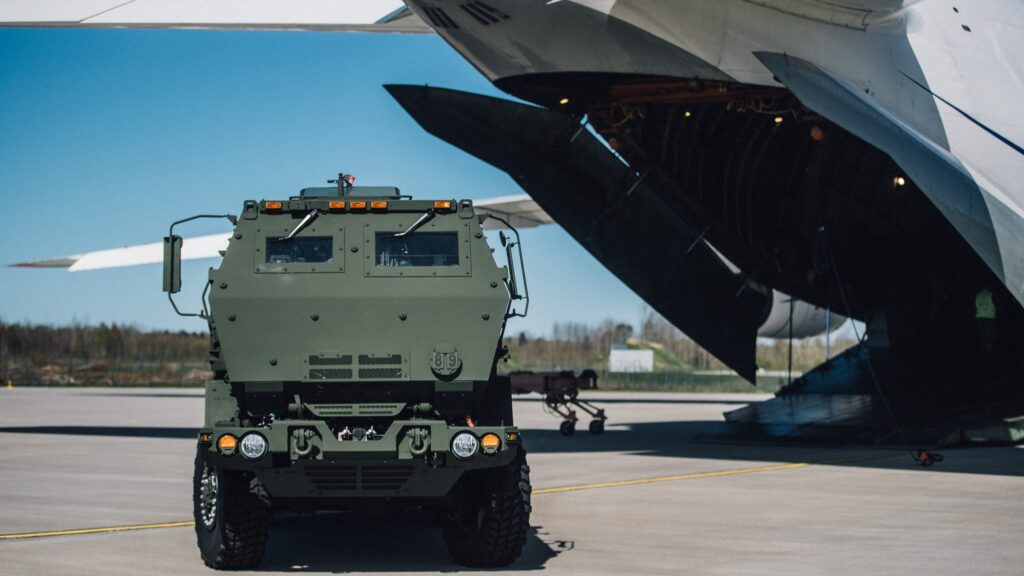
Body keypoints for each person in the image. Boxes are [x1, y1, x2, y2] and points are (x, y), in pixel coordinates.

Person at [975, 287, 996, 359]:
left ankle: (982, 352)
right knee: (989, 336)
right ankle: (988, 353)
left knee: (983, 336)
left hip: (979, 317)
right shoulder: (991, 294)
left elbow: (977, 305)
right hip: (989, 318)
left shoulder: (978, 295)